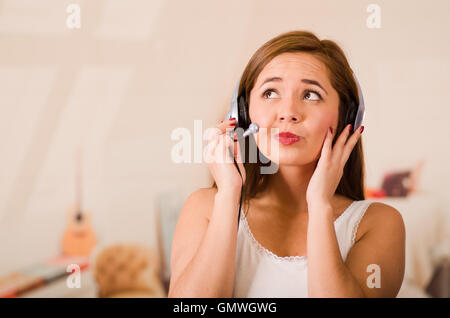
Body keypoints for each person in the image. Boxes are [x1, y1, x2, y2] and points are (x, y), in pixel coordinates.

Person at [168, 30, 405, 298]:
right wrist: (229, 196)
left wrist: (319, 205)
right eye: (270, 92)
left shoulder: (378, 222)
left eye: (311, 95)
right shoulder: (205, 207)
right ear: (243, 113)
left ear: (346, 117)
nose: (289, 112)